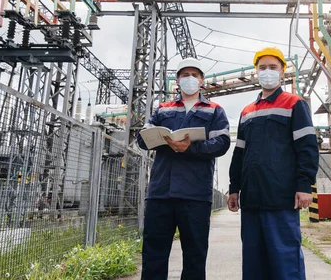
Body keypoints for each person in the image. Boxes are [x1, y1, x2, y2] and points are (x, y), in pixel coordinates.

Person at [228, 47, 319, 280]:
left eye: (273, 67)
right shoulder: (247, 112)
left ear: (282, 73)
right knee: (253, 263)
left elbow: (307, 147)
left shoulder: (294, 104)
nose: (267, 72)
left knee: (285, 261)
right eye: (262, 68)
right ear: (255, 72)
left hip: (281, 197)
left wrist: (304, 185)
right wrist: (233, 188)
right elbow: (239, 153)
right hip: (251, 199)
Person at [137, 57, 230, 280]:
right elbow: (142, 139)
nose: (190, 79)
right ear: (177, 80)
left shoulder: (214, 110)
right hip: (161, 192)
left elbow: (222, 143)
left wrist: (190, 148)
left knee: (195, 254)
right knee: (153, 254)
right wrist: (161, 139)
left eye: (194, 75)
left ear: (201, 80)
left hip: (195, 193)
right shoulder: (163, 109)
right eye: (185, 75)